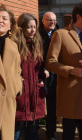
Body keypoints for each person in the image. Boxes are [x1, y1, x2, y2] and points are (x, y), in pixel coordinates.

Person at [46, 2, 82, 140]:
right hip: (69, 99)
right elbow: (50, 63)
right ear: (78, 17)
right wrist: (72, 70)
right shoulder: (60, 34)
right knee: (68, 135)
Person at [14, 13, 46, 140]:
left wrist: (43, 75)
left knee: (32, 133)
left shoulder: (37, 44)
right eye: (29, 27)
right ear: (21, 28)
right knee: (14, 133)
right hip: (20, 95)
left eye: (34, 27)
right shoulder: (14, 45)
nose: (33, 30)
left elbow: (40, 67)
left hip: (35, 95)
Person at [0, 4, 22, 140]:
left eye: (4, 18)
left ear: (10, 25)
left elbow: (18, 72)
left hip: (7, 102)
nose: (0, 20)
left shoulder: (13, 46)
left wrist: (16, 87)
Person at [40, 11, 57, 140]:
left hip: (54, 76)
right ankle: (33, 131)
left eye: (54, 20)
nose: (52, 23)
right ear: (43, 21)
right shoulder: (37, 35)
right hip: (39, 74)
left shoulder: (59, 35)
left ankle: (50, 133)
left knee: (52, 106)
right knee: (38, 104)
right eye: (49, 20)